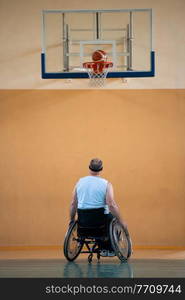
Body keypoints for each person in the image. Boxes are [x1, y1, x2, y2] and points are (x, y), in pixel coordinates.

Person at [69, 158, 130, 256]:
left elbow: (73, 203)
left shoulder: (79, 183)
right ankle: (108, 248)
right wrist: (121, 220)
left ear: (89, 168)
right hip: (101, 222)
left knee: (101, 218)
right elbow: (111, 204)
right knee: (113, 218)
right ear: (101, 169)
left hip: (83, 221)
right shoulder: (106, 184)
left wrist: (71, 219)